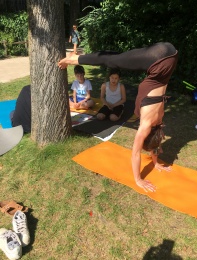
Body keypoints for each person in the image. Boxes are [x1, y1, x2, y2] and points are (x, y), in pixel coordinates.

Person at [58, 42, 178, 192]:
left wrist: (156, 163)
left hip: (171, 56)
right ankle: (72, 58)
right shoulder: (146, 125)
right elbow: (135, 154)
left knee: (117, 57)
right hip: (159, 60)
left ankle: (76, 57)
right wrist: (138, 179)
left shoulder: (159, 121)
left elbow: (157, 141)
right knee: (111, 60)